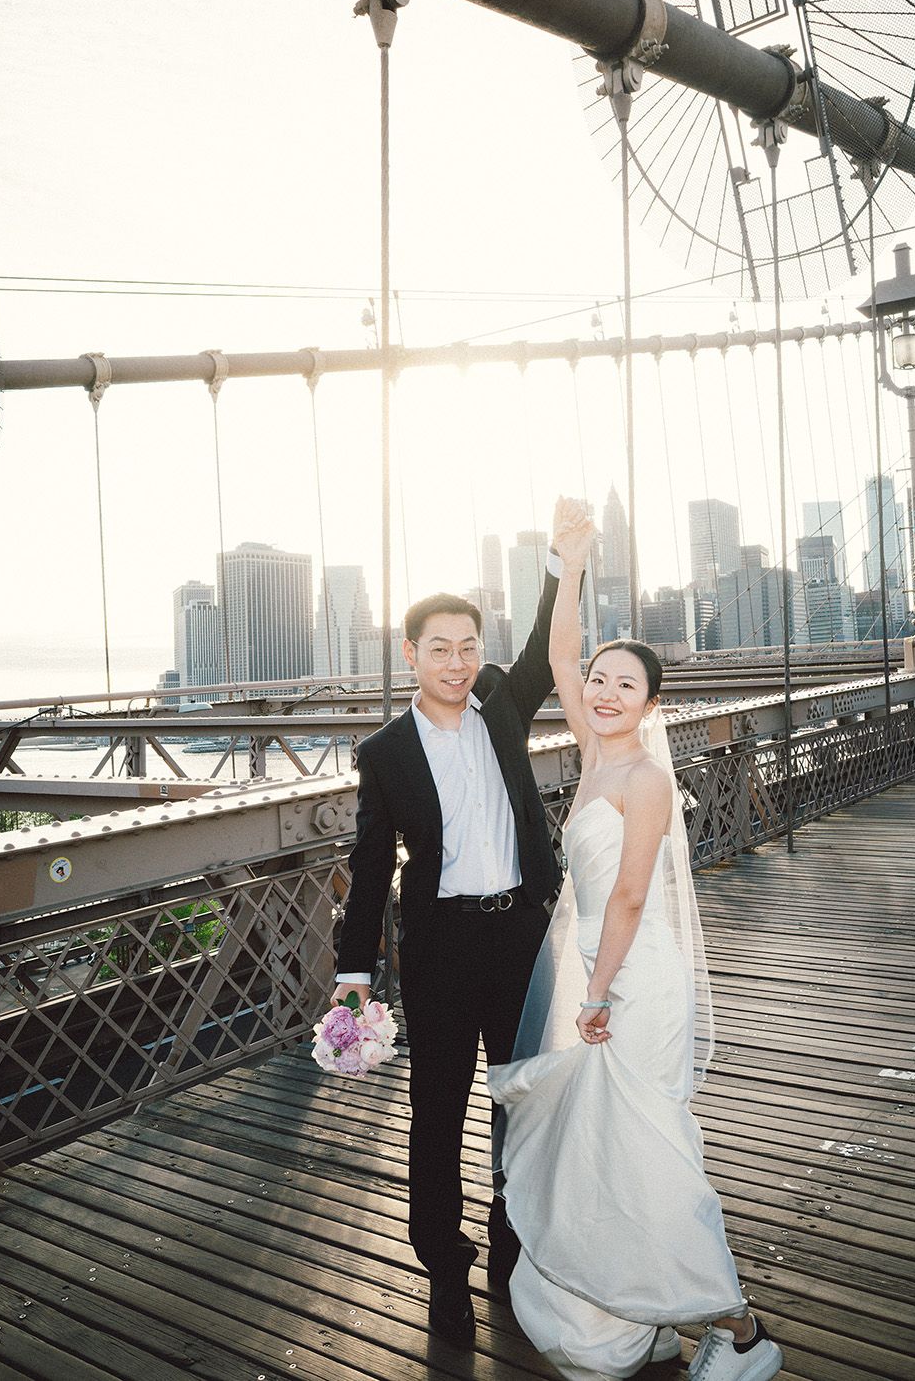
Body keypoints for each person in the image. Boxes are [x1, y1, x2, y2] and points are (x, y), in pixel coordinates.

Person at [487, 498, 784, 1381]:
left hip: (628, 980)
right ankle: (640, 1315)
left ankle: (734, 1322)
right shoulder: (594, 754)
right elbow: (560, 655)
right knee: (598, 1149)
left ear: (651, 702)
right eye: (601, 681)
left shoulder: (645, 777)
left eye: (626, 684)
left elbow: (623, 898)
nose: (605, 691)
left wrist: (598, 994)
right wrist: (569, 565)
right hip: (595, 976)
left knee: (645, 1147)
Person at [330, 557, 565, 1349]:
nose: (458, 662)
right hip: (440, 947)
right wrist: (354, 975)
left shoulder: (503, 708)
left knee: (521, 1100)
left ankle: (512, 1241)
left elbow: (539, 651)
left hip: (522, 936)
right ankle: (443, 1271)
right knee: (437, 1112)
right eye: (440, 648)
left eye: (468, 646)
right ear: (409, 654)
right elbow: (368, 871)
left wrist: (561, 564)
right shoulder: (385, 753)